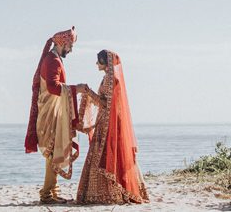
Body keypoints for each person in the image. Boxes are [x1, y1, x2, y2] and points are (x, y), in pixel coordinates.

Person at [74, 49, 149, 204]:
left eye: (98, 61)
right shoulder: (109, 78)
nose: (96, 64)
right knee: (112, 153)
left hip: (109, 123)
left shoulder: (110, 79)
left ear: (105, 62)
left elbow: (105, 103)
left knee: (108, 153)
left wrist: (88, 92)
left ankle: (111, 193)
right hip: (107, 121)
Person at [25, 26, 81, 204]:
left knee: (55, 150)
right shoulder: (53, 61)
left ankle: (53, 191)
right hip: (50, 113)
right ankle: (47, 195)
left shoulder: (54, 59)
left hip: (53, 111)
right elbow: (52, 87)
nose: (71, 49)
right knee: (51, 152)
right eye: (70, 45)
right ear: (62, 43)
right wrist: (76, 89)